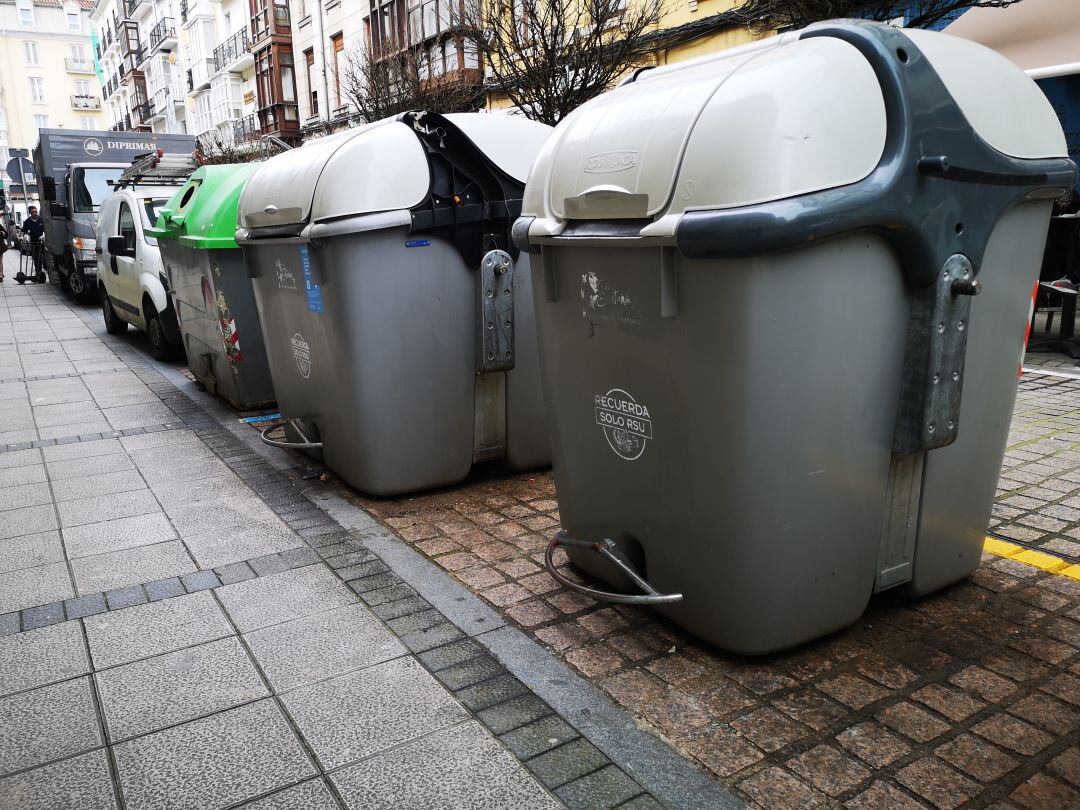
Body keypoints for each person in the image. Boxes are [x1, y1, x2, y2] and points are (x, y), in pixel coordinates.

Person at [21, 206, 44, 283]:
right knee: (37, 258)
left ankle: (42, 272)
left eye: (35, 211)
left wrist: (43, 235)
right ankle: (38, 273)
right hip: (34, 243)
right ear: (30, 213)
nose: (35, 213)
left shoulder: (41, 220)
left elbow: (46, 229)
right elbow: (24, 231)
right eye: (33, 212)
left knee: (45, 258)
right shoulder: (27, 222)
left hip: (43, 241)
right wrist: (26, 236)